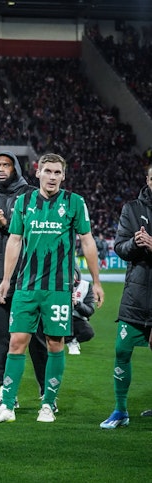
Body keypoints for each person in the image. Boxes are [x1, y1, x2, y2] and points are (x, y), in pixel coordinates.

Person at [0, 153, 104, 424]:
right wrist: (6, 280)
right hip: (26, 286)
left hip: (58, 288)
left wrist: (96, 281)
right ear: (38, 173)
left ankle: (48, 404)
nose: (52, 177)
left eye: (57, 173)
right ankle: (7, 406)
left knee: (54, 344)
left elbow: (87, 241)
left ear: (63, 176)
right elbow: (14, 240)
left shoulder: (75, 202)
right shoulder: (23, 202)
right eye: (47, 171)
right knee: (16, 343)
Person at [0, 151, 49, 409]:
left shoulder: (31, 196)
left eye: (6, 164)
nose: (1, 169)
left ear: (16, 167)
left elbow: (40, 234)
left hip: (30, 276)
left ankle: (46, 391)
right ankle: (7, 394)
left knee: (37, 340)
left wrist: (9, 224)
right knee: (0, 340)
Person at [100, 165, 152, 429]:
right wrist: (135, 244)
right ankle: (120, 411)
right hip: (136, 293)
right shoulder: (132, 209)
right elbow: (120, 247)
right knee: (122, 350)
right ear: (147, 179)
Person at [65, 269, 96, 355]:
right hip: (60, 316)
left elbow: (90, 310)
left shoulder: (86, 286)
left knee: (88, 333)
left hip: (77, 318)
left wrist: (77, 304)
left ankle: (72, 341)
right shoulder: (56, 284)